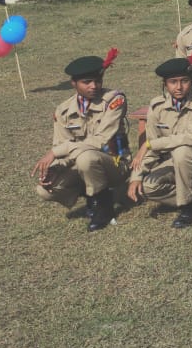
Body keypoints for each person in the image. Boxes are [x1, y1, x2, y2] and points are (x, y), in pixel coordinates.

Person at [32, 49, 130, 231]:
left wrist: (56, 153)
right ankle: (92, 195)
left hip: (115, 163)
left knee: (87, 157)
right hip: (82, 165)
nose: (94, 86)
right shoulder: (63, 110)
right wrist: (55, 169)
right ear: (73, 83)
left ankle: (103, 207)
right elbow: (62, 146)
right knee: (45, 189)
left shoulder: (114, 100)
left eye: (97, 80)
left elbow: (101, 140)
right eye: (87, 82)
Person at [127, 55, 192, 228]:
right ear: (165, 84)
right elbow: (152, 147)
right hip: (174, 162)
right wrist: (136, 177)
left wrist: (149, 144)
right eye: (173, 82)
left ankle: (189, 207)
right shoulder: (157, 106)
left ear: (191, 80)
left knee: (182, 151)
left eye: (184, 81)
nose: (179, 87)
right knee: (148, 187)